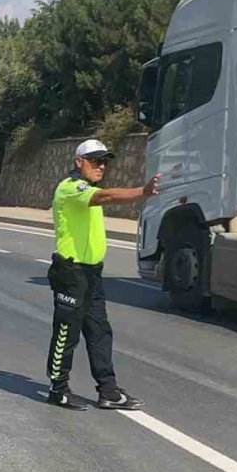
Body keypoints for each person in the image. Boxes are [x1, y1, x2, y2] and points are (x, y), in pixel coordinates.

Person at [46, 139, 159, 411]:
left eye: (105, 161)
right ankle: (58, 388)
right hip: (71, 272)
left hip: (92, 274)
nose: (102, 166)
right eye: (95, 161)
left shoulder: (88, 189)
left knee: (100, 332)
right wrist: (142, 191)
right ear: (79, 162)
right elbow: (105, 197)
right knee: (66, 332)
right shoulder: (71, 189)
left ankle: (108, 391)